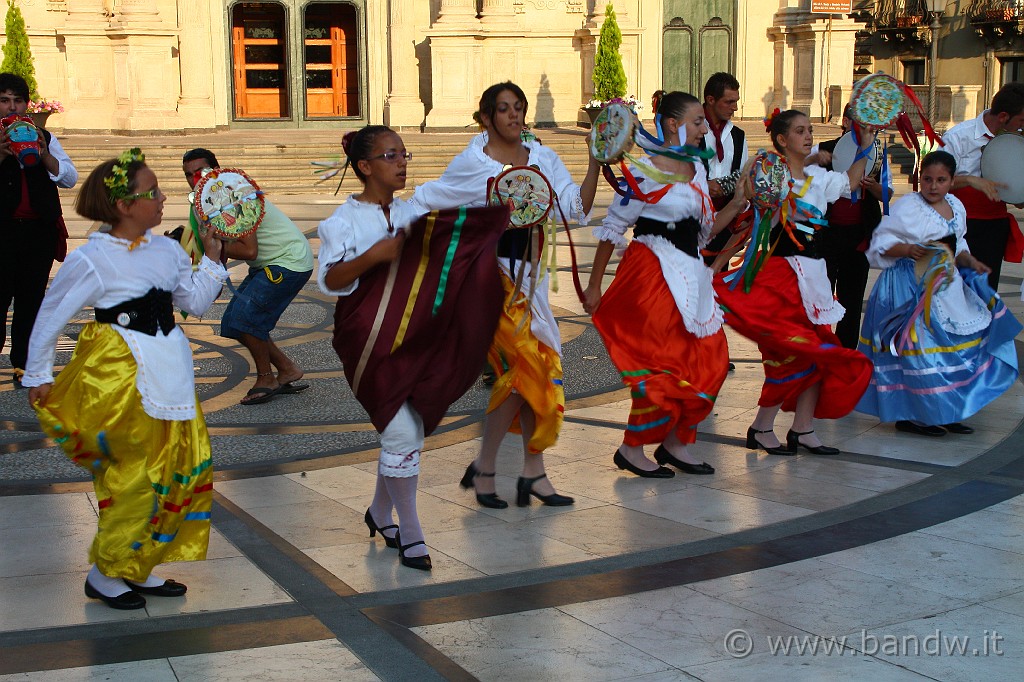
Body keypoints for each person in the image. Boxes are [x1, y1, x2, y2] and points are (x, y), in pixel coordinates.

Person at [21, 149, 227, 609]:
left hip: (171, 373)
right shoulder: (95, 257)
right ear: (123, 205)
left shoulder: (168, 249)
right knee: (133, 478)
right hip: (123, 381)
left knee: (174, 475)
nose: (162, 198)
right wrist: (38, 372)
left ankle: (138, 566)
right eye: (151, 192)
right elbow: (51, 314)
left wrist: (213, 258)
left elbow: (192, 303)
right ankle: (106, 572)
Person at [318, 126, 507, 570]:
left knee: (406, 427)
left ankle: (380, 513)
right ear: (365, 167)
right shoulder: (340, 222)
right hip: (368, 343)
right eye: (390, 156)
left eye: (404, 154)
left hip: (418, 340)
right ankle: (413, 533)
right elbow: (329, 280)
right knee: (401, 431)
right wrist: (373, 257)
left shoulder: (416, 211)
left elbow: (461, 203)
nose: (401, 162)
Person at [406, 81, 600, 508]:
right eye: (505, 109)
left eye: (519, 108)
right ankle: (513, 470)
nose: (514, 115)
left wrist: (595, 161)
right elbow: (428, 199)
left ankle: (510, 470)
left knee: (526, 380)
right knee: (529, 368)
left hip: (531, 281)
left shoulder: (544, 158)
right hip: (488, 282)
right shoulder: (473, 164)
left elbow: (575, 209)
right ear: (486, 118)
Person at [584, 91, 749, 477]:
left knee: (713, 360)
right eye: (697, 122)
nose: (704, 128)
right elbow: (613, 229)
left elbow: (706, 233)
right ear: (673, 124)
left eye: (703, 122)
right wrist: (594, 286)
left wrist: (740, 199)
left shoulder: (697, 172)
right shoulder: (646, 169)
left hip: (690, 275)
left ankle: (677, 442)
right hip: (653, 273)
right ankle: (633, 447)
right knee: (665, 365)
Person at [712, 110, 874, 456]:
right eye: (800, 131)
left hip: (812, 278)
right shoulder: (773, 176)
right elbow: (754, 225)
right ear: (782, 140)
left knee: (817, 352)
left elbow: (852, 181)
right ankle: (761, 426)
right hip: (780, 277)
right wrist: (716, 266)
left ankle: (802, 429)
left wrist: (865, 145)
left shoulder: (818, 177)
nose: (809, 135)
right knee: (795, 353)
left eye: (811, 130)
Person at [856, 150, 1021, 436]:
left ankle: (946, 408)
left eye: (941, 180)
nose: (933, 186)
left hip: (944, 285)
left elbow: (958, 245)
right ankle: (914, 415)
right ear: (920, 179)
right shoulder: (908, 206)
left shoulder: (957, 206)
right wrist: (907, 249)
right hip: (908, 288)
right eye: (927, 179)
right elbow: (880, 242)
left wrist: (971, 262)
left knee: (954, 348)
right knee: (918, 352)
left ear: (951, 181)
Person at [182, 148, 314, 404]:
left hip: (287, 261)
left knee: (245, 320)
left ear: (216, 171)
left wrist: (212, 245)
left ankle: (266, 377)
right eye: (188, 175)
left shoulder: (235, 195)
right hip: (271, 264)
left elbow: (249, 250)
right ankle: (287, 369)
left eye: (201, 172)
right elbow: (221, 244)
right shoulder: (207, 202)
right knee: (233, 322)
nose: (194, 179)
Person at [0, 72, 78, 388]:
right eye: (4, 100)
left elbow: (69, 177)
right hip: (2, 233)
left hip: (38, 232)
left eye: (17, 100)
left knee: (32, 300)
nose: (11, 107)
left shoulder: (43, 136)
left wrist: (44, 153)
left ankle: (25, 365)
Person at [809, 104, 893, 349]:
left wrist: (873, 187)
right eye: (858, 122)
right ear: (845, 121)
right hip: (826, 234)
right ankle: (818, 349)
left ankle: (846, 353)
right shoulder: (824, 151)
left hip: (859, 237)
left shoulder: (876, 153)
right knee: (820, 298)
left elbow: (885, 194)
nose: (864, 129)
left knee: (852, 301)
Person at [942, 82, 1024, 290]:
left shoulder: (1016, 140)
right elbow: (936, 180)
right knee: (956, 289)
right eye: (1021, 120)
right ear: (1004, 116)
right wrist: (970, 180)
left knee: (986, 290)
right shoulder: (959, 136)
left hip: (994, 226)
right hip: (961, 224)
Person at [699, 72, 748, 267]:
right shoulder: (692, 129)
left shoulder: (738, 136)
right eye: (729, 102)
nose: (735, 108)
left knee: (715, 279)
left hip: (724, 220)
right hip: (693, 220)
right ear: (710, 100)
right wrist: (703, 185)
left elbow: (742, 175)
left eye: (736, 101)